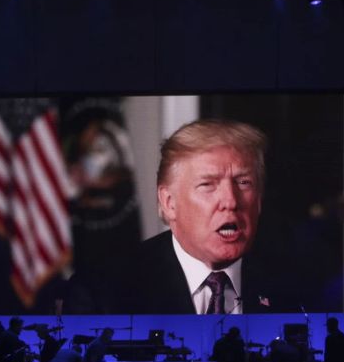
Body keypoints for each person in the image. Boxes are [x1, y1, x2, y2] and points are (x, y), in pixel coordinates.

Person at [68, 119, 301, 314]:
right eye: (208, 184)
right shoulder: (101, 294)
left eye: (243, 182)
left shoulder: (294, 284)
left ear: (258, 200)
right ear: (169, 203)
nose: (231, 201)